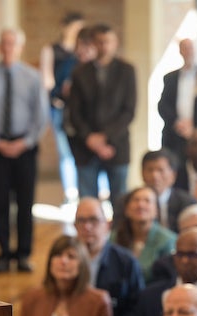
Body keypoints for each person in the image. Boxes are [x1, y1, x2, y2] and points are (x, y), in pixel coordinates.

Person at [0, 28, 48, 273]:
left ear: (20, 47)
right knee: (0, 202)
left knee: (25, 203)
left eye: (12, 43)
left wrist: (24, 142)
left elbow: (41, 115)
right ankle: (4, 253)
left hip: (25, 148)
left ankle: (24, 254)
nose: (8, 47)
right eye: (4, 43)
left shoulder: (33, 76)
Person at [67, 23, 137, 201]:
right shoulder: (80, 73)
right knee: (87, 202)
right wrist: (90, 138)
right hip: (86, 146)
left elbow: (128, 111)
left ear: (115, 43)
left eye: (108, 41)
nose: (104, 46)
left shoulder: (127, 71)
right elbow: (74, 112)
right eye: (100, 42)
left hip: (116, 145)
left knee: (120, 203)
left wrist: (105, 137)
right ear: (93, 44)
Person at [74, 197, 144, 316]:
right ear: (74, 226)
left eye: (93, 220)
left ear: (107, 225)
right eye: (81, 221)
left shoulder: (126, 262)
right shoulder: (65, 260)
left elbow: (137, 310)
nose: (87, 226)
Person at [40, 12, 85, 205]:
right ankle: (71, 191)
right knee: (65, 152)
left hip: (81, 108)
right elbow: (47, 80)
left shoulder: (81, 52)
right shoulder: (53, 50)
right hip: (60, 106)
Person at [112, 148, 196, 233]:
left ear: (173, 175)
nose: (155, 176)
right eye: (150, 170)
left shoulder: (187, 203)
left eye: (160, 170)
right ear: (142, 173)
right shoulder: (126, 202)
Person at [111, 185, 176, 282]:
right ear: (126, 210)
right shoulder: (114, 238)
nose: (140, 205)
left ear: (156, 211)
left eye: (147, 201)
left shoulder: (168, 240)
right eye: (136, 200)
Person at [158, 39, 197, 165]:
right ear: (180, 51)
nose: (188, 52)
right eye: (185, 48)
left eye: (191, 48)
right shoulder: (170, 78)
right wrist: (178, 123)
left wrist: (193, 125)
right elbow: (163, 105)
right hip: (174, 133)